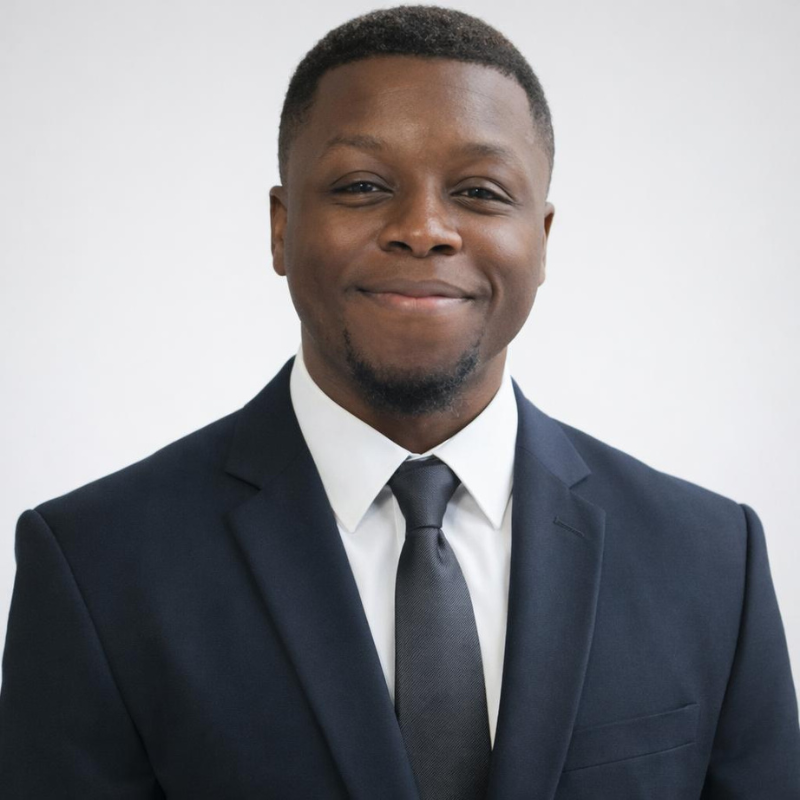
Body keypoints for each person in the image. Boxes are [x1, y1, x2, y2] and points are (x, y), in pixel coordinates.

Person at [1, 4, 798, 798]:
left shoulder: (712, 562)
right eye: (361, 185)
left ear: (544, 238)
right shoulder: (95, 568)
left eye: (481, 191)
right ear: (281, 229)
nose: (423, 229)